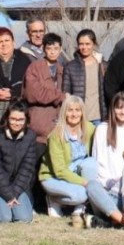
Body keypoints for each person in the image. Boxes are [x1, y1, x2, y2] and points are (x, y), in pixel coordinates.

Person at [39, 96, 98, 227]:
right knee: (83, 194)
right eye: (70, 110)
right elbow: (59, 170)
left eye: (78, 110)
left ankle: (79, 208)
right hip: (53, 177)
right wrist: (84, 182)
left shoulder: (89, 128)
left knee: (91, 163)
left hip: (74, 171)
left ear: (83, 112)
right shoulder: (56, 135)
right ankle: (53, 199)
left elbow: (106, 132)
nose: (74, 114)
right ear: (64, 112)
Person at [0, 101, 37, 223]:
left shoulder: (30, 136)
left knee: (24, 218)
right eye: (13, 119)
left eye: (20, 119)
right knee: (5, 218)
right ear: (7, 118)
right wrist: (8, 195)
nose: (16, 122)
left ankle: (10, 203)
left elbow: (27, 168)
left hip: (17, 185)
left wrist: (14, 193)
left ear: (26, 120)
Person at [90, 92, 124, 225]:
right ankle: (122, 219)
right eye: (119, 107)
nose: (123, 111)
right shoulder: (102, 129)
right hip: (108, 190)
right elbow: (96, 159)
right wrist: (107, 184)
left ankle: (111, 218)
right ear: (113, 109)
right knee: (91, 187)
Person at [23, 32, 66, 156]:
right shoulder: (34, 68)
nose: (52, 52)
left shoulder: (63, 69)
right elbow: (34, 94)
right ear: (43, 49)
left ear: (61, 49)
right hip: (38, 128)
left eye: (56, 48)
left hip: (58, 128)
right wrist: (60, 96)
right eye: (49, 48)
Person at [63, 29, 107, 125]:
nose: (84, 47)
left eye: (87, 44)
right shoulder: (70, 67)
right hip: (78, 118)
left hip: (99, 117)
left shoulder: (103, 66)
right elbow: (66, 93)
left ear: (94, 44)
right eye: (81, 44)